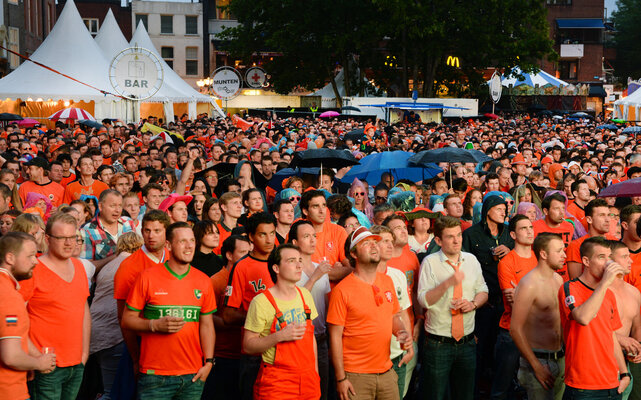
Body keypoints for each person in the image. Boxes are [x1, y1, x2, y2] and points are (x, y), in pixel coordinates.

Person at [122, 222, 216, 399]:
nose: (189, 246)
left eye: (192, 241)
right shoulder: (147, 277)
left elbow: (207, 325)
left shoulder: (203, 281)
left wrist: (209, 362)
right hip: (155, 376)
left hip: (193, 375)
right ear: (169, 245)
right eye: (182, 241)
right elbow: (127, 320)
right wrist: (154, 325)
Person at [327, 226, 412, 400]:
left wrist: (402, 333)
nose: (374, 246)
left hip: (387, 371)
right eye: (366, 243)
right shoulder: (342, 290)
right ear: (353, 254)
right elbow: (335, 337)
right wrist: (341, 378)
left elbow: (394, 316)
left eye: (375, 242)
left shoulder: (387, 281)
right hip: (356, 376)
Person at [19, 212, 90, 400]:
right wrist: (33, 357)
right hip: (46, 365)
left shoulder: (80, 267)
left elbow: (83, 310)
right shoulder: (32, 270)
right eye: (62, 238)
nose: (69, 243)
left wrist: (83, 354)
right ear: (48, 239)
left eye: (73, 237)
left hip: (75, 364)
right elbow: (16, 318)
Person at [417, 216, 489, 400]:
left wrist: (472, 304)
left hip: (467, 343)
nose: (457, 240)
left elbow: (483, 291)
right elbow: (424, 301)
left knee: (465, 395)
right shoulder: (430, 262)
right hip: (438, 344)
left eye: (458, 235)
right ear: (438, 240)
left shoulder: (471, 260)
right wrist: (447, 283)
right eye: (450, 237)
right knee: (435, 395)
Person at [243, 243, 321, 399]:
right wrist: (280, 336)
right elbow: (248, 346)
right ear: (276, 268)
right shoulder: (261, 301)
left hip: (308, 379)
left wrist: (315, 373)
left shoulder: (305, 294)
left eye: (300, 260)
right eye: (291, 261)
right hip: (277, 382)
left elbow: (311, 337)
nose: (299, 265)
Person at [559, 236, 630, 399]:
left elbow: (610, 334)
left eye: (609, 258)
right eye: (601, 257)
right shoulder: (570, 287)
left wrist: (624, 373)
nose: (608, 263)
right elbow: (583, 318)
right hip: (583, 387)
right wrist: (605, 283)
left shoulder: (609, 294)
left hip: (613, 384)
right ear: (586, 261)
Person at [223, 212, 276, 400]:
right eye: (263, 234)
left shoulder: (284, 261)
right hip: (255, 354)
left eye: (272, 233)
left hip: (283, 351)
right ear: (251, 237)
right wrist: (260, 317)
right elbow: (228, 315)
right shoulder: (242, 267)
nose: (269, 239)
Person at [462, 194, 513, 389]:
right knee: (479, 350)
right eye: (499, 208)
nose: (503, 212)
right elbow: (465, 268)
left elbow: (521, 259)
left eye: (505, 209)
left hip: (506, 302)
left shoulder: (509, 233)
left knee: (501, 351)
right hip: (482, 303)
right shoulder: (471, 234)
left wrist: (510, 252)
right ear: (487, 210)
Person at [113, 210, 170, 378]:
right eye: (147, 230)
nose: (151, 235)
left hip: (174, 342)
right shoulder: (128, 267)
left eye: (157, 230)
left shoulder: (174, 258)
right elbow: (123, 317)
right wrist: (135, 358)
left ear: (166, 232)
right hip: (143, 342)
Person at [510, 233, 566, 400]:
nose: (565, 255)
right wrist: (536, 366)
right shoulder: (529, 284)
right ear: (543, 254)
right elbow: (515, 329)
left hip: (560, 356)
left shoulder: (558, 279)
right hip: (538, 360)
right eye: (559, 251)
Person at [0, 232, 56, 400]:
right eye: (30, 255)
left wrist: (32, 358)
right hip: (9, 391)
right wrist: (39, 363)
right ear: (10, 258)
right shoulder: (9, 296)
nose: (35, 261)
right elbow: (11, 356)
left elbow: (17, 338)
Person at [89, 232, 143, 400]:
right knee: (113, 393)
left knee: (105, 388)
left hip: (95, 331)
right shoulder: (131, 265)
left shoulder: (109, 265)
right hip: (113, 335)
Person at [492, 215, 539, 400]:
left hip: (537, 331)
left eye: (530, 227)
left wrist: (522, 294)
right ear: (513, 234)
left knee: (533, 386)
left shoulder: (539, 257)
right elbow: (514, 303)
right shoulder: (507, 262)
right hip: (511, 331)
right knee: (501, 388)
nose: (529, 231)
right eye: (523, 228)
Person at [203, 235, 251, 400]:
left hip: (247, 353)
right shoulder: (215, 281)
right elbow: (205, 316)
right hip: (223, 356)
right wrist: (227, 321)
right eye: (244, 253)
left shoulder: (249, 278)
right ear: (229, 255)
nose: (248, 258)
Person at [370, 224, 415, 398]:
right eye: (384, 241)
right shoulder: (362, 277)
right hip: (370, 358)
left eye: (391, 241)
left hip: (397, 355)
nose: (390, 245)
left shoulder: (398, 275)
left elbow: (403, 312)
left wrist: (408, 346)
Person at [290, 220, 332, 400]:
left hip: (321, 339)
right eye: (306, 237)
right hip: (298, 340)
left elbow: (327, 302)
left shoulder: (320, 267)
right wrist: (314, 277)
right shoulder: (290, 269)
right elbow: (293, 302)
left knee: (321, 390)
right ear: (294, 242)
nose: (312, 240)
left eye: (314, 236)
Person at [608, 241, 641, 400]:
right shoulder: (600, 292)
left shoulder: (634, 292)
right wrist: (620, 339)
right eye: (625, 257)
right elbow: (590, 329)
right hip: (601, 364)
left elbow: (636, 328)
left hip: (625, 366)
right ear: (610, 260)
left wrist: (638, 348)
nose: (631, 260)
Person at [79, 189, 137, 270]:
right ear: (100, 206)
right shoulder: (87, 230)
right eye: (112, 206)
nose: (117, 210)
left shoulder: (128, 223)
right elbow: (87, 268)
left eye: (120, 206)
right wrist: (117, 257)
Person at [567, 199, 613, 280]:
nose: (607, 220)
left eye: (609, 215)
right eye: (602, 215)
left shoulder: (614, 241)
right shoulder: (576, 246)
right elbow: (575, 282)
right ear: (589, 219)